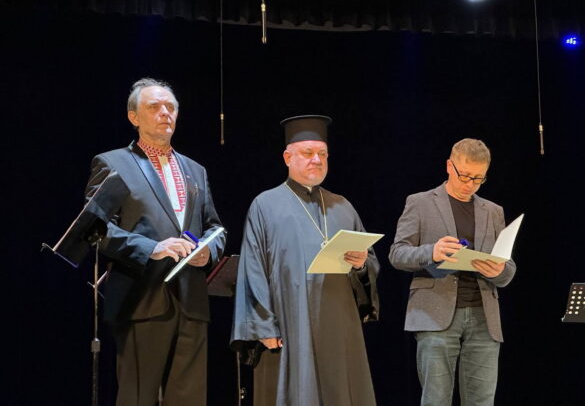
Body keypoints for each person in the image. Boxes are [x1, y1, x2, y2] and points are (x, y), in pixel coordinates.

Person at [84, 78, 226, 406]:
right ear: (133, 117)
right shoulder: (112, 163)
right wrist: (153, 248)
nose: (165, 112)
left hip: (191, 300)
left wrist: (209, 251)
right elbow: (95, 228)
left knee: (189, 398)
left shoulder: (196, 170)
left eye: (170, 107)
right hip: (141, 299)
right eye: (154, 107)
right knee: (138, 397)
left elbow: (215, 227)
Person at [231, 115, 379, 406]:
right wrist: (263, 326)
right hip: (289, 322)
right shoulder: (265, 205)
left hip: (338, 324)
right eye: (308, 153)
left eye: (322, 154)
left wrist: (361, 263)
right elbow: (252, 269)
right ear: (288, 158)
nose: (316, 160)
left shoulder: (343, 206)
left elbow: (370, 266)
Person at [388, 138, 517, 406]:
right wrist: (431, 252)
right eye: (464, 175)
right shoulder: (420, 203)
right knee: (436, 399)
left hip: (484, 317)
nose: (470, 184)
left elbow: (508, 269)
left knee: (482, 401)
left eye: (478, 179)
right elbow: (397, 254)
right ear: (449, 166)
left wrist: (498, 270)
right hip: (435, 314)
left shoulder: (493, 211)